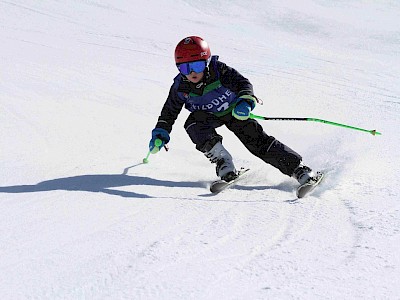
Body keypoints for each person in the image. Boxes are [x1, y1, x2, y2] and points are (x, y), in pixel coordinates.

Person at [149, 36, 316, 187]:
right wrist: (161, 132)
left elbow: (243, 83)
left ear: (206, 62)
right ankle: (223, 162)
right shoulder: (180, 87)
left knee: (257, 142)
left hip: (236, 112)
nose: (192, 73)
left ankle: (298, 169)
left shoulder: (219, 71)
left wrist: (245, 102)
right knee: (193, 123)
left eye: (197, 65)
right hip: (210, 117)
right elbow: (169, 112)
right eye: (185, 69)